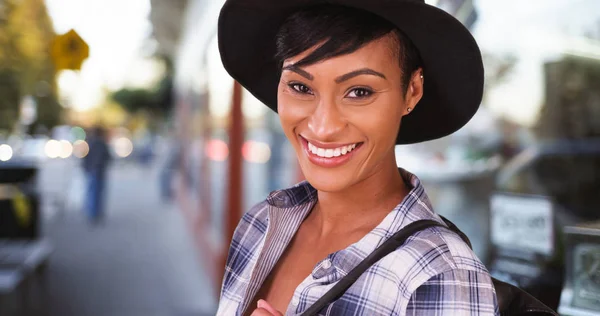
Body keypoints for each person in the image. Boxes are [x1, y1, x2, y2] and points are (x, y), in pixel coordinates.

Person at [217, 1, 496, 315]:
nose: (323, 127)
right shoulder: (260, 224)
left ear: (412, 91)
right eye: (299, 86)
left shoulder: (438, 274)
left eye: (360, 91)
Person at [82, 126, 112, 224]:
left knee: (92, 193)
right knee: (96, 193)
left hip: (94, 171)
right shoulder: (100, 143)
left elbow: (85, 158)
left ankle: (93, 213)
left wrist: (87, 168)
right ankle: (95, 213)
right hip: (99, 171)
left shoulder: (91, 143)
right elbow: (108, 157)